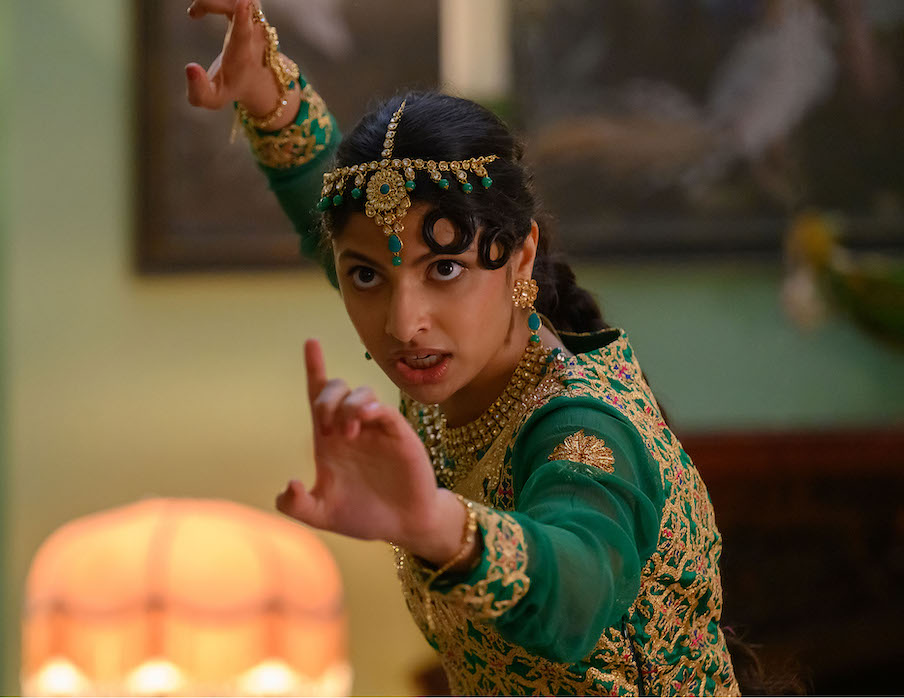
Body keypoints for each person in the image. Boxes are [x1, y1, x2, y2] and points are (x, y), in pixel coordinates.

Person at [185, 1, 740, 694]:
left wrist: (440, 526)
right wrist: (266, 94)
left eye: (444, 269)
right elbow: (332, 214)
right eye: (366, 277)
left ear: (520, 256)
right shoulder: (450, 356)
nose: (402, 321)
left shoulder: (582, 427)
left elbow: (578, 586)